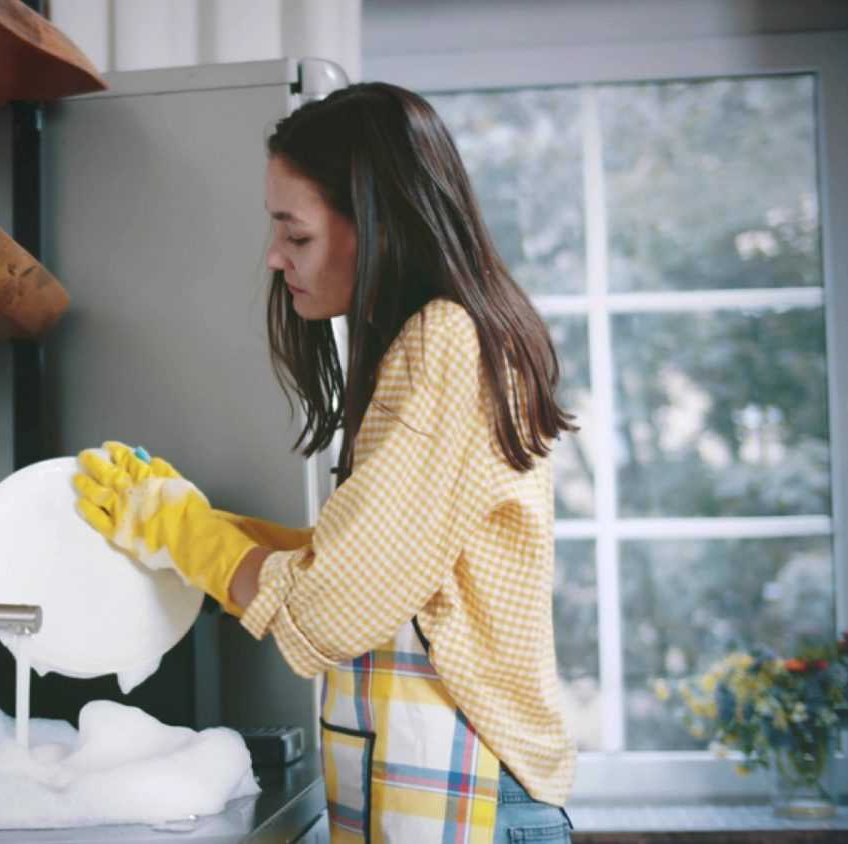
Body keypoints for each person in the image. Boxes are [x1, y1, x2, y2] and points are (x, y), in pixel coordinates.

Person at [72, 82, 578, 843]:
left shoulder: (447, 341)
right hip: (452, 781)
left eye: (295, 234)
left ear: (377, 225)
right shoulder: (441, 339)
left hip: (474, 789)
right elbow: (389, 572)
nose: (275, 259)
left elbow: (332, 607)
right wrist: (200, 523)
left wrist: (185, 534)